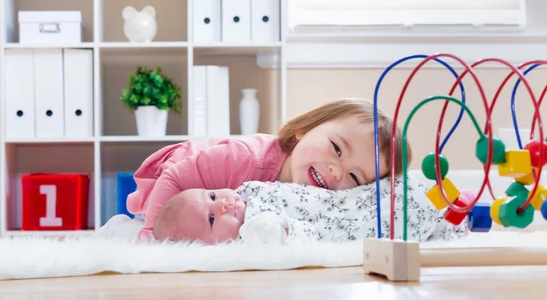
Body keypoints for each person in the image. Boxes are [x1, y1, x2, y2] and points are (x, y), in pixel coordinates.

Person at [126, 98, 412, 240]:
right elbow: (175, 176)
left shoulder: (316, 197)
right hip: (177, 178)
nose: (337, 172)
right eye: (336, 149)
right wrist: (151, 239)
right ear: (303, 130)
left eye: (354, 176)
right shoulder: (245, 159)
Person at [151, 177, 469, 245]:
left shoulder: (249, 191)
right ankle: (442, 214)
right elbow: (300, 236)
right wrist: (270, 229)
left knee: (387, 191)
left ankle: (430, 195)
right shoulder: (254, 231)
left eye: (210, 195)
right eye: (210, 218)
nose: (221, 203)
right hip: (341, 225)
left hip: (342, 201)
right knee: (384, 223)